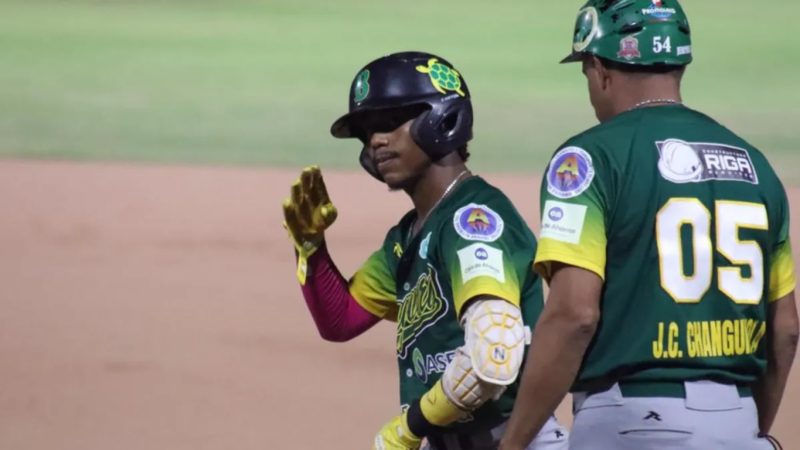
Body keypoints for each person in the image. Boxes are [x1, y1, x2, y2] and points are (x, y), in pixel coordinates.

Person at [499, 1, 798, 449]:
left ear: (600, 69)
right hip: (738, 420)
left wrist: (513, 443)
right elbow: (786, 329)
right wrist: (746, 428)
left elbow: (575, 315)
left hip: (634, 423)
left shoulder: (588, 159)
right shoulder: (755, 165)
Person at [281, 51, 568, 450]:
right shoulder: (406, 238)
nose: (375, 141)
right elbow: (340, 319)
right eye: (367, 132)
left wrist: (409, 427)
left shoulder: (472, 219)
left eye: (388, 123)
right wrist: (311, 249)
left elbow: (493, 353)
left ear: (442, 119)